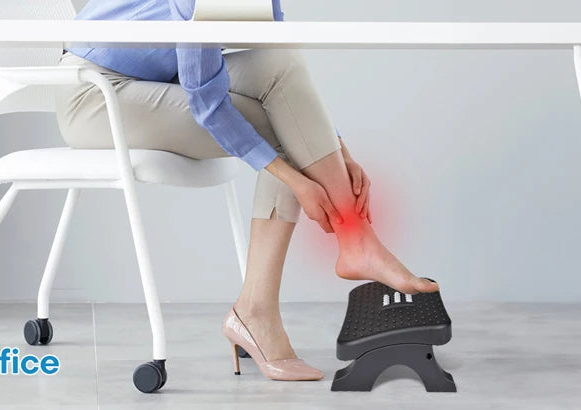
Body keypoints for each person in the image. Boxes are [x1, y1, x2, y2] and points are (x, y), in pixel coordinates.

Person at [55, 0, 440, 381]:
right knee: (278, 130)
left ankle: (354, 247)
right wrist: (293, 178)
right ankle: (273, 301)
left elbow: (285, 76)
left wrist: (341, 148)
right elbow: (206, 102)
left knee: (280, 62)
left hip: (153, 78)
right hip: (95, 95)